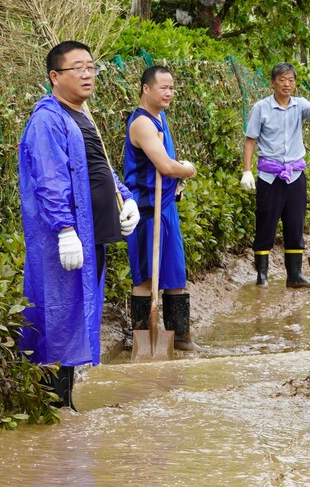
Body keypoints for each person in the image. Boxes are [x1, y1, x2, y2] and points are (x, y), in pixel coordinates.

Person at [18, 40, 139, 408]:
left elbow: (97, 164)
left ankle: (66, 403)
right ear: (55, 77)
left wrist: (125, 195)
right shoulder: (47, 119)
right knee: (58, 312)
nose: (88, 74)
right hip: (66, 238)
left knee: (76, 313)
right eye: (78, 68)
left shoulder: (81, 113)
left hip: (91, 232)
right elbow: (49, 179)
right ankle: (52, 405)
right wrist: (65, 230)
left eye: (91, 66)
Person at [123, 64, 199, 351]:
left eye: (171, 87)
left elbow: (169, 161)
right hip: (145, 212)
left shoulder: (160, 117)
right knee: (145, 278)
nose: (169, 92)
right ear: (146, 88)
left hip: (166, 207)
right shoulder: (142, 123)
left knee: (175, 274)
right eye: (163, 87)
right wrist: (188, 170)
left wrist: (178, 172)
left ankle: (180, 336)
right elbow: (167, 166)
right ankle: (142, 339)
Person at [240, 63, 310, 288]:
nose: (287, 84)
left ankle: (295, 275)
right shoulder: (261, 108)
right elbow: (250, 140)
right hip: (269, 176)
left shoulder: (299, 104)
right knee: (266, 223)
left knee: (295, 223)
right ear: (272, 83)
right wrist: (246, 171)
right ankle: (262, 275)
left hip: (295, 176)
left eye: (291, 80)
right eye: (282, 80)